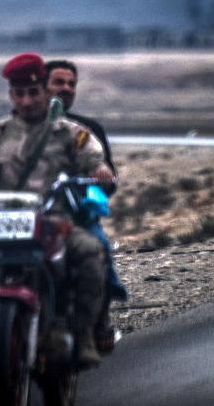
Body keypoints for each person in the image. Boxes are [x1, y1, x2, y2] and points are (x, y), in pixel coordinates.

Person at [0, 52, 115, 382]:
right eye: (19, 93)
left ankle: (83, 337)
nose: (27, 100)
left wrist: (100, 171)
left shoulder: (71, 134)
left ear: (44, 93)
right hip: (3, 225)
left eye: (33, 92)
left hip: (54, 225)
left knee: (92, 253)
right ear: (11, 95)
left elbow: (94, 160)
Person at [45, 59, 128, 351]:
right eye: (59, 82)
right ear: (41, 86)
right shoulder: (17, 128)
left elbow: (111, 181)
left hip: (75, 216)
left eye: (71, 83)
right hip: (26, 215)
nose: (66, 89)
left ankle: (101, 318)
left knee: (98, 248)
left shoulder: (88, 130)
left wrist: (101, 178)